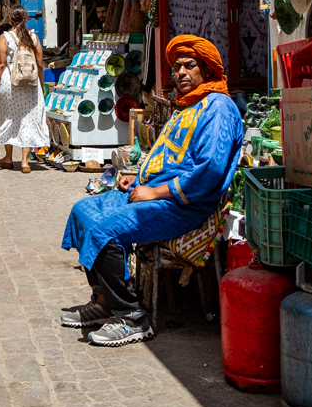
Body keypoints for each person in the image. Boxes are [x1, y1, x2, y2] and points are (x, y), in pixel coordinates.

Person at [59, 35, 244, 346]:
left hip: (183, 205)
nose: (181, 73)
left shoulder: (218, 108)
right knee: (83, 211)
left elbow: (210, 170)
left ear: (207, 69)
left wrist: (155, 192)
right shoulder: (188, 104)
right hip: (152, 191)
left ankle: (131, 316)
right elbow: (168, 157)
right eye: (177, 67)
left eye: (189, 66)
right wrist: (137, 178)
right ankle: (103, 301)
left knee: (105, 229)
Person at [0, 7, 48, 173]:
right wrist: (42, 84)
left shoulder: (5, 37)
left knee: (8, 118)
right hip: (31, 82)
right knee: (28, 119)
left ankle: (8, 158)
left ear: (10, 20)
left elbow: (1, 65)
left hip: (10, 81)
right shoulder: (34, 37)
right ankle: (25, 161)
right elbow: (40, 64)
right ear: (26, 18)